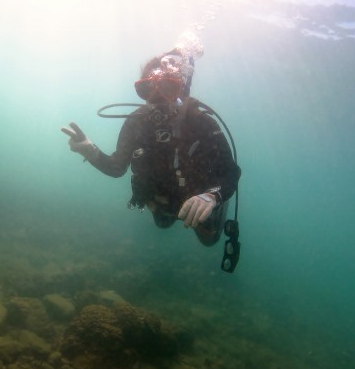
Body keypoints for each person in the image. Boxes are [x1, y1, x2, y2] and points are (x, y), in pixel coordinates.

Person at [61, 44, 241, 247]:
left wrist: (212, 196)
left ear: (183, 90)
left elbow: (231, 172)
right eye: (147, 89)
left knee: (210, 239)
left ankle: (213, 203)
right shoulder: (136, 122)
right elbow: (116, 167)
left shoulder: (203, 124)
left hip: (196, 200)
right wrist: (90, 151)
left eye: (168, 88)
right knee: (162, 223)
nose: (157, 99)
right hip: (161, 202)